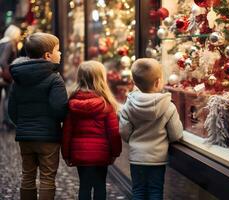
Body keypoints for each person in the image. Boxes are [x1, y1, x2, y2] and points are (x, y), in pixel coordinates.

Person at [8, 32, 68, 200]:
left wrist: (23, 124)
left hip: (25, 137)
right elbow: (60, 109)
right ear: (48, 55)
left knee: (27, 175)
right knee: (47, 178)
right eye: (58, 50)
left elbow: (12, 110)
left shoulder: (18, 78)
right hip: (48, 137)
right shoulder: (54, 79)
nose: (61, 53)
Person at [119, 58, 183, 200]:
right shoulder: (168, 106)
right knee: (155, 191)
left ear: (134, 83)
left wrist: (133, 140)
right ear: (157, 82)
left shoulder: (128, 105)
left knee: (138, 191)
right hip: (157, 159)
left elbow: (124, 131)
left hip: (137, 158)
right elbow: (176, 134)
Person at [62, 60, 122, 200]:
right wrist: (115, 153)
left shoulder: (71, 103)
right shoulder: (107, 105)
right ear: (101, 79)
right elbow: (113, 132)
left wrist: (66, 154)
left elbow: (66, 132)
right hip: (101, 154)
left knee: (84, 186)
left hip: (80, 153)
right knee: (100, 186)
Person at [0, 24, 21, 130]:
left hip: (1, 76)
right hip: (6, 77)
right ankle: (8, 122)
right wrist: (9, 72)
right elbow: (3, 61)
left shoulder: (2, 42)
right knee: (9, 98)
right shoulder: (10, 43)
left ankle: (3, 122)